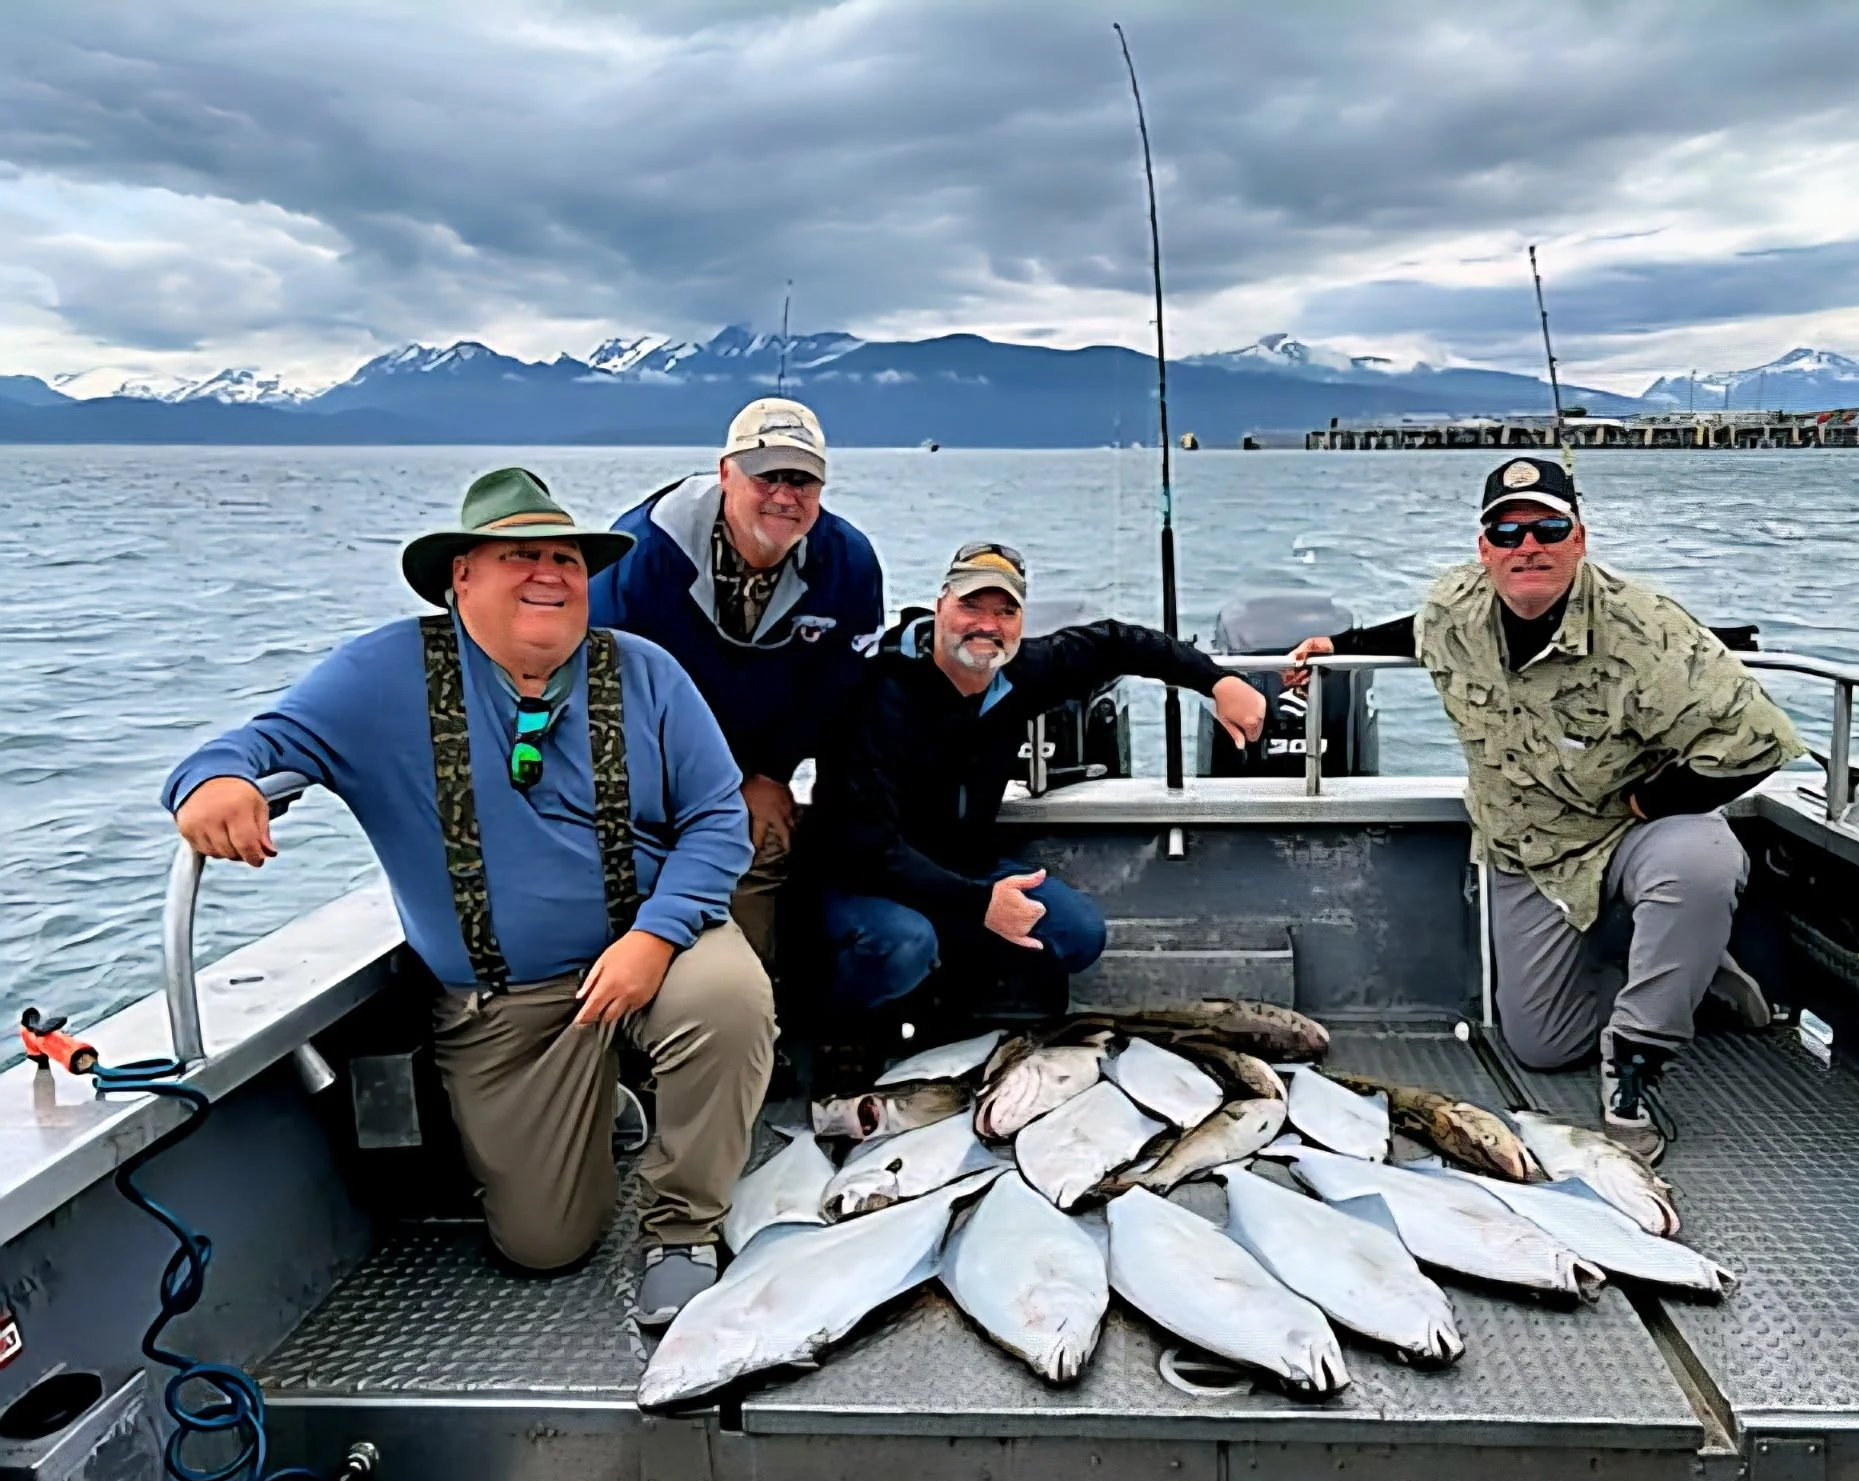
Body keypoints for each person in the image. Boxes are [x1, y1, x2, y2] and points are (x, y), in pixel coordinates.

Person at [164, 468, 775, 1325]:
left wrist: (657, 937)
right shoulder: (383, 674)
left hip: (650, 952)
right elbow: (256, 743)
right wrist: (213, 785)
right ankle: (607, 1107)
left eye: (566, 558)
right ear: (462, 577)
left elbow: (718, 821)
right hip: (503, 1004)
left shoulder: (648, 672)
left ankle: (685, 1227)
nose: (550, 574)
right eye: (520, 555)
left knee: (729, 1000)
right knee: (542, 1246)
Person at [1286, 457, 1802, 1160]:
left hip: (1629, 830)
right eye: (1507, 531)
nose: (1528, 544)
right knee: (1542, 1046)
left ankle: (1640, 1058)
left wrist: (1651, 800)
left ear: (1579, 538)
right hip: (1525, 850)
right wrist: (1339, 647)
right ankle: (1695, 974)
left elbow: (1760, 741)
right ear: (1484, 550)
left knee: (1702, 860)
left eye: (1548, 527)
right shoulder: (1454, 607)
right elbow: (1421, 631)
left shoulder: (1646, 629)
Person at [797, 541, 1270, 1090]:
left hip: (962, 866)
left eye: (1006, 611)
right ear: (940, 605)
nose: (987, 625)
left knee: (1078, 932)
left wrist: (1216, 681)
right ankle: (840, 1028)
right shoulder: (877, 693)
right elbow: (865, 844)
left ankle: (956, 1003)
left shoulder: (1024, 671)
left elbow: (1117, 642)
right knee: (906, 944)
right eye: (972, 606)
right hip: (862, 880)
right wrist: (980, 904)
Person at [589, 399, 883, 970]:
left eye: (802, 479)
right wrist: (692, 790)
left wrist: (772, 773)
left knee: (761, 845)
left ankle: (757, 1028)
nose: (784, 495)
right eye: (766, 474)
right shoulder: (640, 555)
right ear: (726, 472)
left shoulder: (849, 564)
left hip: (756, 769)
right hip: (644, 769)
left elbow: (841, 684)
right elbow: (602, 688)